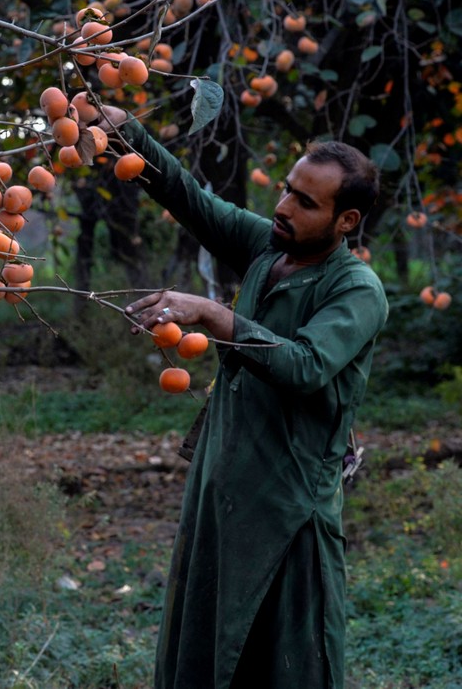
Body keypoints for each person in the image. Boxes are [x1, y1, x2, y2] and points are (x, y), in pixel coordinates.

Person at [100, 107, 388, 689]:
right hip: (223, 483)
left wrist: (214, 314)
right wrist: (124, 131)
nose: (283, 207)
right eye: (287, 190)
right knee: (206, 640)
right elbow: (192, 199)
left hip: (289, 503)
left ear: (346, 219)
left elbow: (306, 366)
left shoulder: (356, 290)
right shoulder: (269, 250)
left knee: (287, 657)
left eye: (306, 203)